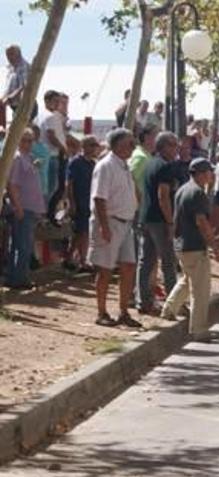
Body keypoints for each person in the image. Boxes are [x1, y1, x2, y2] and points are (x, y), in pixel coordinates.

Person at [161, 159, 219, 341]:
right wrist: (215, 247)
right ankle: (198, 329)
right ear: (202, 173)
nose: (211, 176)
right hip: (194, 246)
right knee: (200, 289)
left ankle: (169, 309)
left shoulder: (182, 190)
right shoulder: (198, 194)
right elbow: (202, 222)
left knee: (188, 279)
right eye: (209, 172)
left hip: (181, 245)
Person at [87, 128, 141, 328]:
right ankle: (101, 312)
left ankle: (123, 311)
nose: (133, 147)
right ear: (117, 144)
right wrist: (103, 226)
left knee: (128, 266)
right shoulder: (106, 166)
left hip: (126, 223)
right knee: (105, 269)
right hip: (110, 221)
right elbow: (99, 198)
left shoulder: (124, 166)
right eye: (129, 143)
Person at [137, 132, 180, 315]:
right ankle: (173, 302)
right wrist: (170, 222)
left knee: (146, 261)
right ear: (164, 146)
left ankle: (144, 301)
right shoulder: (165, 167)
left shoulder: (150, 163)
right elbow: (163, 197)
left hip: (146, 217)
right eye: (173, 145)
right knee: (168, 262)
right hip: (160, 220)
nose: (176, 149)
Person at [5, 129, 45, 289]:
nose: (28, 144)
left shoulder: (28, 158)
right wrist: (18, 206)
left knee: (25, 244)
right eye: (24, 140)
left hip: (31, 208)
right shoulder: (16, 158)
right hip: (23, 207)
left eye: (30, 140)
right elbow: (12, 185)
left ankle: (21, 276)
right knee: (21, 244)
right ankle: (17, 278)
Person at [64, 135, 100, 272]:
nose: (94, 148)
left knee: (83, 232)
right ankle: (81, 260)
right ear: (84, 146)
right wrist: (71, 202)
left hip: (89, 202)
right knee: (81, 232)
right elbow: (69, 183)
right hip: (79, 201)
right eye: (91, 145)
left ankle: (74, 258)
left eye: (95, 145)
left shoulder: (93, 164)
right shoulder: (75, 162)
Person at [38, 90, 67, 210]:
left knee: (48, 186)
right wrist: (63, 148)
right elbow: (51, 136)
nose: (57, 104)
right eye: (55, 101)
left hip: (46, 154)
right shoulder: (50, 116)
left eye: (59, 101)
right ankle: (43, 210)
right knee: (51, 187)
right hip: (52, 155)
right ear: (47, 101)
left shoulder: (42, 115)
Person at [1, 45, 33, 120]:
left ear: (19, 54)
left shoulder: (24, 66)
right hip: (15, 108)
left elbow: (24, 86)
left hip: (25, 108)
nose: (8, 57)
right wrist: (3, 99)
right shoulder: (10, 68)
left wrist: (10, 98)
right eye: (7, 55)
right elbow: (8, 89)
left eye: (11, 54)